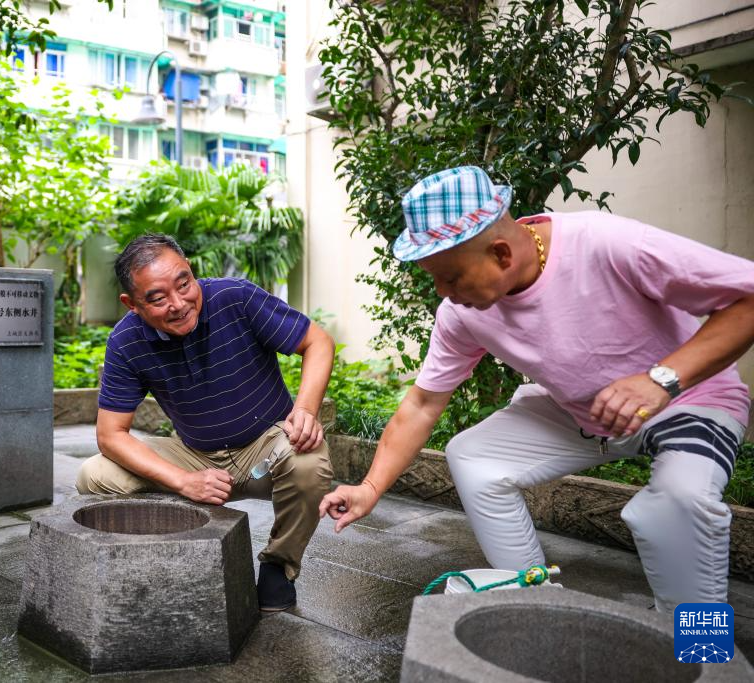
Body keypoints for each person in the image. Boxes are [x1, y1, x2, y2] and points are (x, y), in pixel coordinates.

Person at [320, 166, 754, 611]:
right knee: (473, 455)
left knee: (675, 508)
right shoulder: (462, 313)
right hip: (586, 412)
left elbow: (748, 298)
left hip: (689, 398)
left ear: (502, 254)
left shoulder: (605, 244)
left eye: (450, 277)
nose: (442, 292)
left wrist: (660, 379)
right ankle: (537, 606)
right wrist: (369, 488)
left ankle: (703, 647)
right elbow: (422, 404)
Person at [77, 234, 336, 611]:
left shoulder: (236, 298)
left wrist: (306, 411)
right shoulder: (126, 342)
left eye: (184, 284)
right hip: (196, 458)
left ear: (191, 271)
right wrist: (183, 481)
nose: (179, 304)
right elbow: (110, 435)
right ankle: (161, 555)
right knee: (94, 475)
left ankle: (279, 564)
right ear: (132, 304)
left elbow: (318, 342)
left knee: (309, 459)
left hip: (268, 453)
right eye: (158, 298)